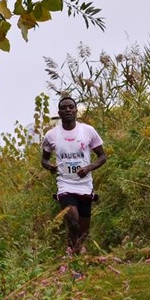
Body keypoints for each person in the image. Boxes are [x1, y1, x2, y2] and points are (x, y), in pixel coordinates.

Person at [41, 96, 107, 255]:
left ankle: (74, 251)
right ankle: (72, 258)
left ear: (76, 110)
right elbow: (44, 159)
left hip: (84, 185)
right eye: (64, 108)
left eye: (71, 107)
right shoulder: (51, 135)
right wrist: (49, 166)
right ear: (59, 112)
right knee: (73, 223)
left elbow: (102, 157)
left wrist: (88, 168)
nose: (68, 110)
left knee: (83, 231)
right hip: (65, 185)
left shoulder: (88, 131)